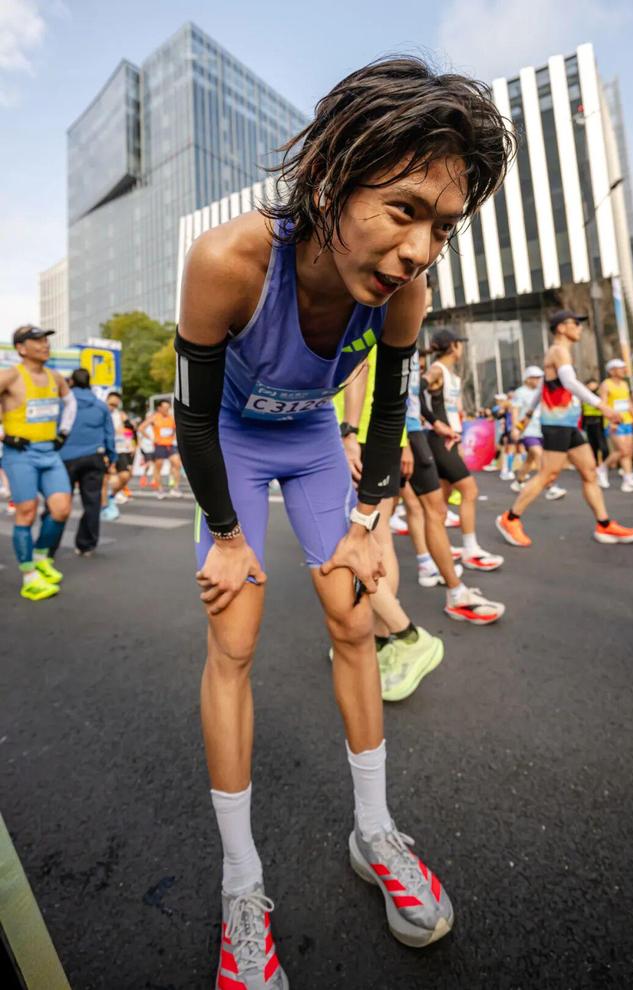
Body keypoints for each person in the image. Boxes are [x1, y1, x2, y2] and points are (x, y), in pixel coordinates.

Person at [174, 57, 514, 988]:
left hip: (316, 443)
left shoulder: (406, 292)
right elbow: (193, 420)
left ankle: (375, 831)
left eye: (441, 227)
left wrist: (368, 521)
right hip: (233, 445)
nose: (419, 249)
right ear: (330, 178)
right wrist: (228, 535)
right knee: (234, 639)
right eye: (404, 210)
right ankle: (241, 883)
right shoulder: (229, 259)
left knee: (355, 617)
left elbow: (390, 408)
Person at [337, 349, 445, 701]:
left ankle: (407, 636)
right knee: (379, 537)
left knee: (346, 542)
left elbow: (358, 365)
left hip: (357, 433)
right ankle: (382, 638)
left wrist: (348, 431)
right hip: (386, 433)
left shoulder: (364, 316)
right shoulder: (399, 323)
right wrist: (405, 441)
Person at [496, 311, 633, 547]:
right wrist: (602, 406)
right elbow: (570, 383)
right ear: (562, 328)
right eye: (576, 323)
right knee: (548, 474)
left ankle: (604, 525)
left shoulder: (559, 353)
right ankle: (510, 519)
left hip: (567, 422)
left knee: (589, 472)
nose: (580, 328)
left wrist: (528, 415)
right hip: (556, 423)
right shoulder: (559, 351)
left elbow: (543, 387)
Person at [0, 325, 76, 600]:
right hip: (20, 454)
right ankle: (29, 576)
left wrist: (63, 432)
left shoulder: (55, 376)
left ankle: (41, 557)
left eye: (46, 340)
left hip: (49, 453)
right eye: (37, 341)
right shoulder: (9, 376)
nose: (45, 345)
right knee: (27, 512)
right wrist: (4, 435)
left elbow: (71, 404)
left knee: (61, 509)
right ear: (21, 348)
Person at [420, 328, 504, 573]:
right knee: (469, 490)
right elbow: (412, 392)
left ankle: (438, 551)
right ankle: (471, 550)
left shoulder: (449, 374)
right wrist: (436, 423)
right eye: (461, 344)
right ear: (454, 346)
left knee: (441, 501)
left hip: (449, 440)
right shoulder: (437, 370)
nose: (462, 349)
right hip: (440, 440)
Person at [57, 368, 117, 556]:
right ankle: (86, 545)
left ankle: (48, 547)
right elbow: (109, 435)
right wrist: (111, 458)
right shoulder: (101, 406)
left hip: (65, 458)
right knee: (92, 503)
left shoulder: (63, 404)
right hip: (94, 457)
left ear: (72, 382)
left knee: (59, 503)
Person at [510, 366, 566, 500]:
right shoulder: (520, 392)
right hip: (527, 430)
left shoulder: (543, 391)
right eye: (534, 377)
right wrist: (515, 428)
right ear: (527, 379)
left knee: (529, 460)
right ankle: (550, 487)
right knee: (539, 455)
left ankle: (519, 481)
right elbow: (515, 411)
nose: (537, 380)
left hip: (542, 429)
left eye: (539, 377)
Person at [596, 359, 633, 493]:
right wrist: (611, 421)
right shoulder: (606, 385)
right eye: (620, 368)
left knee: (628, 452)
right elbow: (603, 404)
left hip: (627, 421)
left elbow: (628, 402)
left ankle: (628, 481)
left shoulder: (625, 384)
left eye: (623, 368)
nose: (623, 370)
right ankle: (602, 468)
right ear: (611, 371)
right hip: (614, 422)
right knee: (622, 450)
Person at [139, 399, 182, 498]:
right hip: (159, 445)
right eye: (165, 408)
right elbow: (141, 428)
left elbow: (176, 428)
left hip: (170, 445)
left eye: (168, 408)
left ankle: (175, 488)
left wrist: (174, 436)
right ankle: (159, 490)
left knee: (177, 463)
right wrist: (150, 438)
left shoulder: (171, 418)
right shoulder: (154, 417)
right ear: (159, 408)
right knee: (158, 466)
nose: (167, 410)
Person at [106, 392, 136, 503]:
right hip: (108, 449)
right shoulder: (102, 413)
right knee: (113, 474)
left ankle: (113, 494)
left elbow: (129, 431)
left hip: (121, 448)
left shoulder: (120, 415)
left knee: (126, 475)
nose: (113, 407)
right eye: (111, 404)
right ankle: (112, 496)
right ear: (107, 400)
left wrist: (132, 444)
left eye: (115, 405)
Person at [581, 377, 609, 469]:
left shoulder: (599, 396)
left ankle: (605, 463)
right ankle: (596, 464)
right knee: (593, 445)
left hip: (599, 422)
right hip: (588, 423)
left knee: (603, 446)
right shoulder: (584, 397)